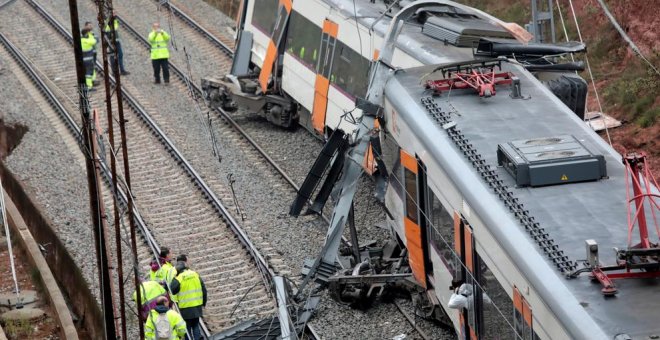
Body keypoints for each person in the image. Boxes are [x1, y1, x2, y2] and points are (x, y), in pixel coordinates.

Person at [171, 255, 207, 340]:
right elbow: (204, 290)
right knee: (196, 325)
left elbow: (172, 290)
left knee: (187, 328)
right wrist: (204, 302)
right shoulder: (195, 274)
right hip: (197, 305)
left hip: (185, 307)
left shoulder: (179, 278)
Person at [104, 11, 130, 75]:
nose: (115, 14)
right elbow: (106, 29)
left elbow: (115, 28)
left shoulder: (114, 20)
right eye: (114, 13)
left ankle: (122, 70)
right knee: (112, 56)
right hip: (111, 41)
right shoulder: (107, 21)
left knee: (120, 54)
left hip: (117, 40)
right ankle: (114, 71)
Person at [80, 27, 97, 91]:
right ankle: (89, 87)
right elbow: (94, 41)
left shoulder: (81, 40)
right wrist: (90, 35)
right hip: (89, 60)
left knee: (86, 73)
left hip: (83, 60)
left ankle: (87, 85)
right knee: (89, 73)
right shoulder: (87, 40)